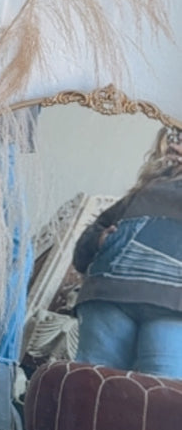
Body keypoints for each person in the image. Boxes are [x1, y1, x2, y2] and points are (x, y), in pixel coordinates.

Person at [72, 125, 182, 377]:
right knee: (94, 384)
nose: (174, 145)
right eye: (174, 137)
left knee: (162, 391)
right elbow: (83, 253)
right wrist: (100, 240)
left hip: (173, 303)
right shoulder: (141, 192)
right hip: (110, 293)